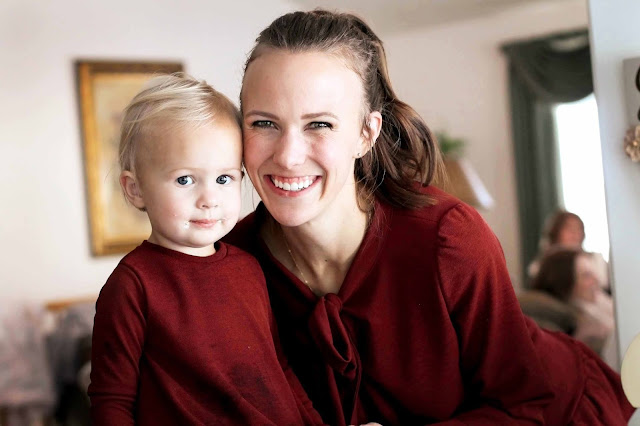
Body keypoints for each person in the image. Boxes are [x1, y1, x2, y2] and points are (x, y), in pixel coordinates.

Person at [225, 9, 635, 425]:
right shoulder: (229, 261)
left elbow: (523, 406)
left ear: (366, 134)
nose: (288, 156)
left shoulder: (449, 239)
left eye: (319, 124)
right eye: (264, 123)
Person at [88, 74, 322, 425]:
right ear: (135, 189)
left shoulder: (250, 267)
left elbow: (280, 369)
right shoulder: (132, 285)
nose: (209, 199)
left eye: (224, 178)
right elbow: (112, 401)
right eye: (185, 179)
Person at [532, 248, 615, 356]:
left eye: (594, 274)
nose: (597, 280)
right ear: (564, 282)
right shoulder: (578, 324)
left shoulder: (600, 304)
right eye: (586, 276)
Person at [528, 210, 609, 292]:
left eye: (579, 229)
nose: (575, 233)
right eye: (569, 228)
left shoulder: (596, 259)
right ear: (556, 232)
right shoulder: (541, 266)